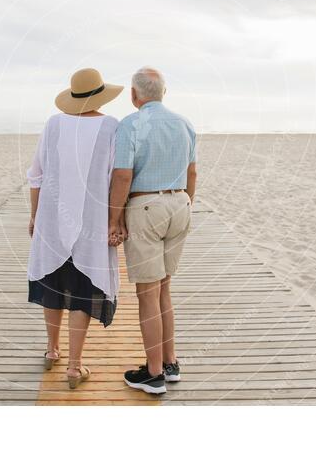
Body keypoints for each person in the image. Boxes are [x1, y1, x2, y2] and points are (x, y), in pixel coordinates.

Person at [26, 67, 125, 389]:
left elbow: (36, 174)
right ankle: (74, 366)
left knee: (54, 285)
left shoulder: (54, 124)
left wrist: (34, 215)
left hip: (53, 219)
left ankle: (52, 350)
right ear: (100, 94)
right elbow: (116, 178)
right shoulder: (111, 126)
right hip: (92, 223)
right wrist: (116, 221)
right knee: (83, 291)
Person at [108, 66, 197, 394]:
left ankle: (154, 373)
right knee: (163, 290)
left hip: (146, 207)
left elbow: (121, 176)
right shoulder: (185, 123)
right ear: (164, 93)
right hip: (179, 204)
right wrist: (186, 206)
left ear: (134, 95)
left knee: (147, 294)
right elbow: (193, 172)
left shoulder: (131, 125)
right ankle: (170, 361)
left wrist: (114, 219)